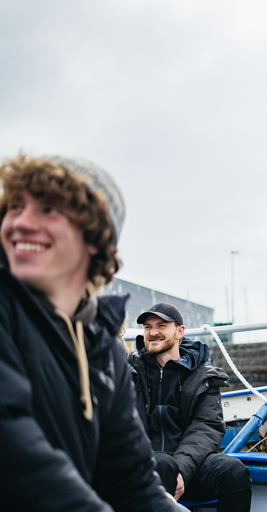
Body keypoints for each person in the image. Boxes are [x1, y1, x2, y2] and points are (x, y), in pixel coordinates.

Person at [0, 154, 179, 510]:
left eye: (48, 209)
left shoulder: (102, 348)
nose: (20, 222)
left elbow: (130, 479)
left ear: (95, 238)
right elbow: (14, 455)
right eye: (14, 207)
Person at [129, 302, 252, 512]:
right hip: (141, 469)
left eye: (161, 325)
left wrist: (182, 470)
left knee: (233, 471)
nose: (153, 332)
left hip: (188, 470)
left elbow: (206, 426)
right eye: (148, 327)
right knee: (162, 464)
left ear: (180, 331)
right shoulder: (129, 371)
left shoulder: (203, 376)